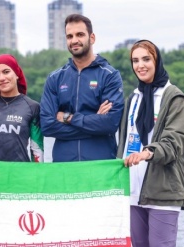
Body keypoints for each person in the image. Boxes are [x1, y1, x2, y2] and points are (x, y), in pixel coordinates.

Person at [117, 40, 184, 247]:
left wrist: (148, 153)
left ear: (157, 61)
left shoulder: (175, 98)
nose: (140, 65)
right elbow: (123, 142)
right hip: (132, 190)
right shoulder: (133, 98)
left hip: (163, 191)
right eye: (135, 60)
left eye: (146, 59)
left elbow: (176, 141)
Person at [40, 14, 124, 162]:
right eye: (69, 36)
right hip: (64, 167)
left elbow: (110, 124)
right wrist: (94, 126)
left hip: (100, 165)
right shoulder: (55, 78)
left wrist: (67, 118)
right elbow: (47, 126)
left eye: (80, 34)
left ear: (92, 38)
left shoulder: (110, 75)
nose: (74, 40)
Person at [0, 54, 43, 162]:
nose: (2, 78)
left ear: (17, 74)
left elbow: (37, 149)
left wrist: (36, 176)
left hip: (19, 174)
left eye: (6, 72)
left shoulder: (32, 107)